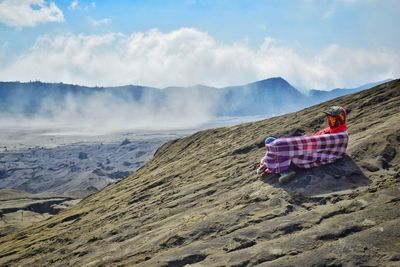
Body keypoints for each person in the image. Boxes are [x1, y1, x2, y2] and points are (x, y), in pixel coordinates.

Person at [257, 106, 348, 183]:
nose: (329, 120)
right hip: (306, 149)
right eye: (329, 118)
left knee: (277, 144)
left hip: (306, 156)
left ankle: (285, 171)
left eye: (332, 118)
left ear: (340, 119)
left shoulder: (340, 136)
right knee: (269, 140)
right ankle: (277, 161)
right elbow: (314, 138)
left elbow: (317, 143)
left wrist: (299, 142)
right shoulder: (332, 129)